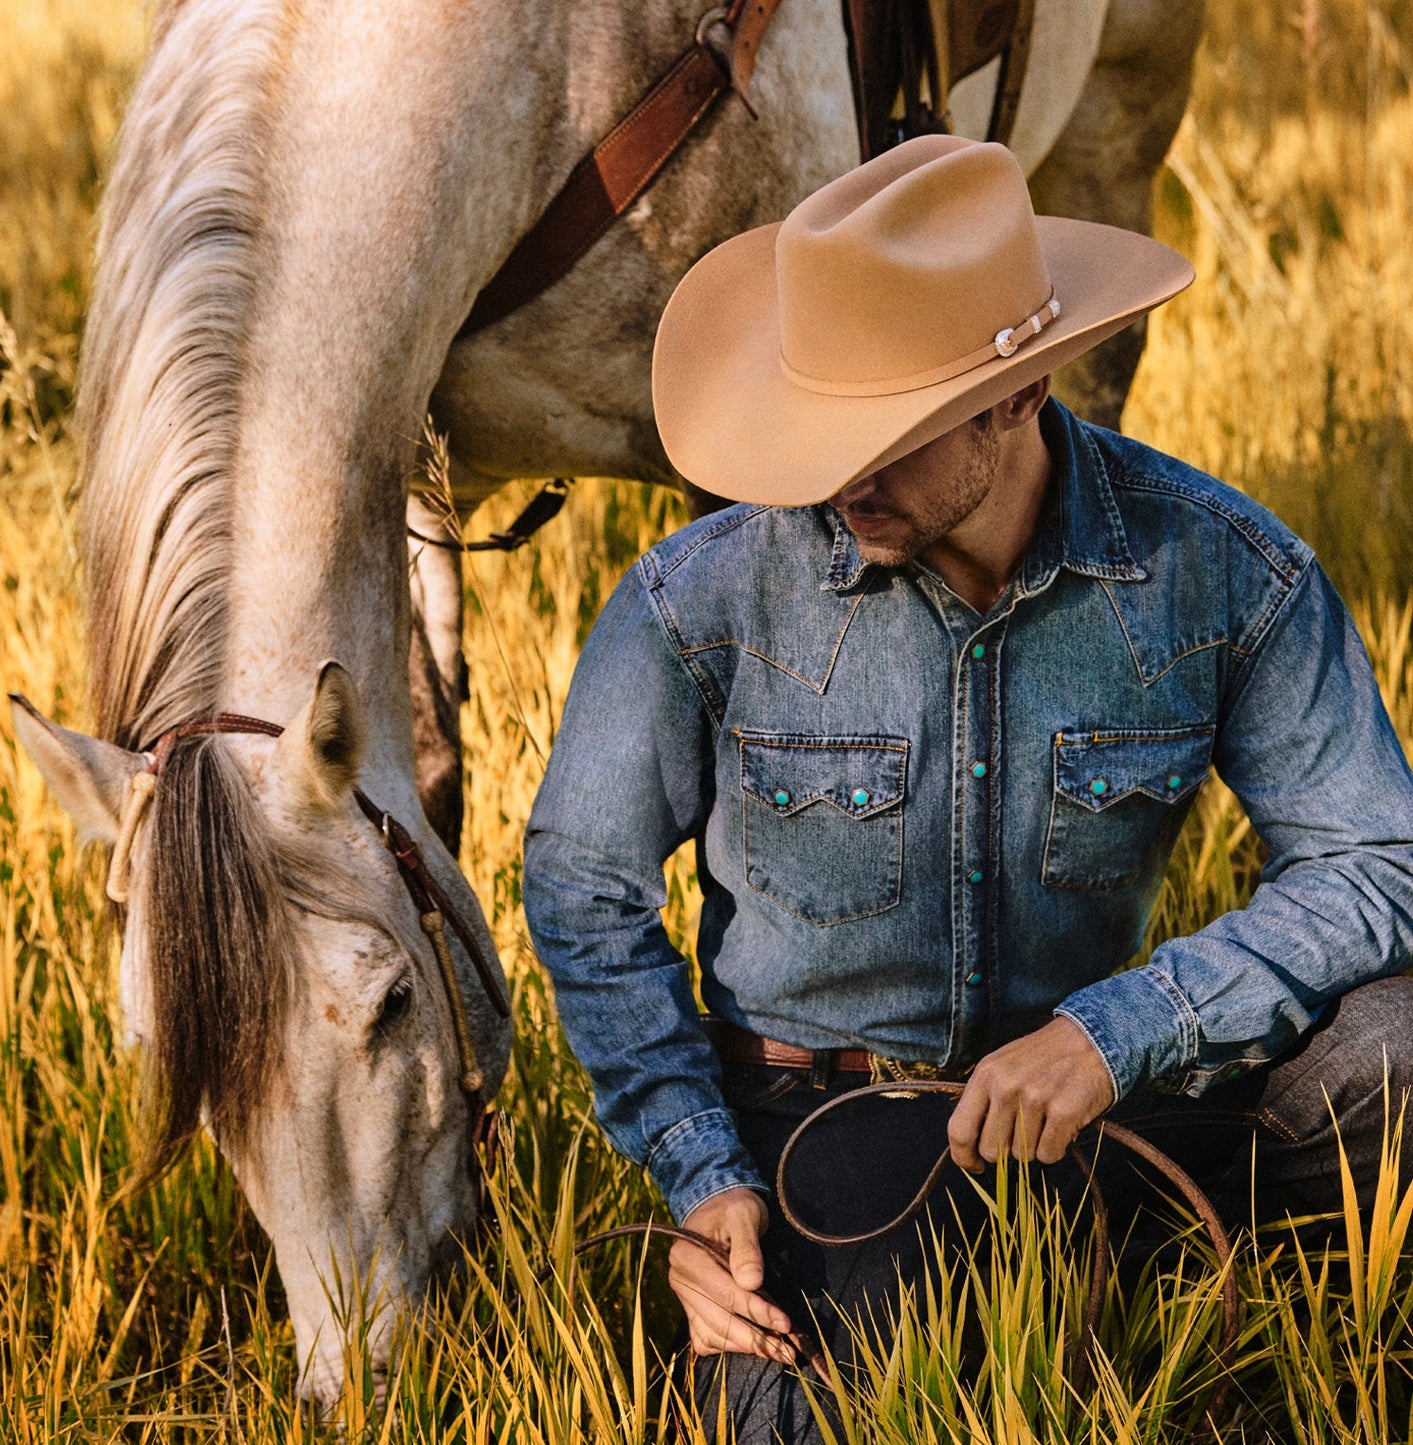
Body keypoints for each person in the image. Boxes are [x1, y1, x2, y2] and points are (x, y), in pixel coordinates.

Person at [521, 135, 1413, 1440]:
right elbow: (582, 888)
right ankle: (1019, 1292)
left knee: (1401, 1047)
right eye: (824, 427)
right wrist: (703, 1179)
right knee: (793, 1415)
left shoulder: (1220, 570)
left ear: (1022, 390)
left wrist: (1121, 1031)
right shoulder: (698, 603)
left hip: (1106, 1097)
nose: (843, 478)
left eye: (887, 436)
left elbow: (1379, 859)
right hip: (827, 1132)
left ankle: (1142, 1277)